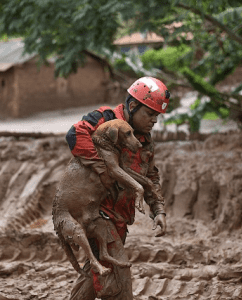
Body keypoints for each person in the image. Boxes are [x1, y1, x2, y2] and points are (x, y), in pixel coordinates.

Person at [65, 77, 170, 300]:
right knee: (119, 278)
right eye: (150, 114)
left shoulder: (145, 141)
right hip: (96, 213)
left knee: (94, 275)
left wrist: (158, 209)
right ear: (133, 107)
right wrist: (104, 168)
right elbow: (74, 135)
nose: (154, 121)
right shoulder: (105, 119)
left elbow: (150, 176)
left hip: (119, 217)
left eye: (157, 116)